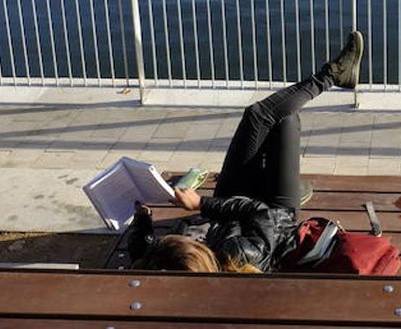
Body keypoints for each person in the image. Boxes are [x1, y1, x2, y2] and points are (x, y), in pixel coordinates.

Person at [127, 30, 364, 273]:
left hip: (229, 206)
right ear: (197, 252)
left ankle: (333, 77)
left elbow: (142, 253)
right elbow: (261, 212)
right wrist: (201, 203)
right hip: (273, 213)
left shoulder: (177, 265)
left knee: (257, 116)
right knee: (282, 119)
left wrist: (142, 218)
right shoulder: (239, 254)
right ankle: (332, 75)